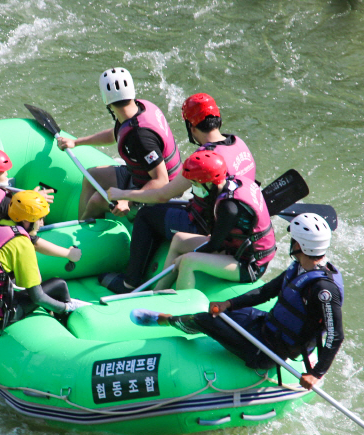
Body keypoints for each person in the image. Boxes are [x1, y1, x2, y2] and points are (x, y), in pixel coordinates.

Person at [131, 213, 343, 390]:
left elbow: (336, 334)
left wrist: (317, 373)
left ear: (299, 244)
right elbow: (265, 292)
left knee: (206, 320)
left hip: (269, 351)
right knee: (218, 313)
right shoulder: (300, 267)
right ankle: (192, 320)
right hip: (265, 327)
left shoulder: (323, 290)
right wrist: (229, 304)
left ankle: (167, 320)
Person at [97, 92, 258, 293]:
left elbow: (162, 194)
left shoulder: (205, 161)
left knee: (147, 215)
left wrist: (125, 195)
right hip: (237, 225)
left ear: (191, 127)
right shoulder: (238, 144)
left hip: (206, 225)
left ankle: (129, 282)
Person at [55, 68, 182, 220]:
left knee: (96, 200)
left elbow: (161, 181)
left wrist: (127, 199)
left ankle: (82, 236)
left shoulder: (140, 137)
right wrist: (76, 142)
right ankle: (83, 222)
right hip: (142, 178)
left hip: (161, 193)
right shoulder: (139, 107)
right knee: (91, 176)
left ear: (105, 100)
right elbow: (116, 133)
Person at [0, 190, 89, 329]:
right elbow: (38, 297)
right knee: (58, 285)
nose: (41, 224)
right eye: (39, 219)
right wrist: (66, 307)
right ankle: (66, 321)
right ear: (26, 221)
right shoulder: (19, 241)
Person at [153, 149, 275, 290]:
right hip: (233, 249)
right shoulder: (232, 182)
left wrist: (185, 257)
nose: (193, 188)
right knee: (179, 239)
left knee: (188, 261)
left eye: (195, 183)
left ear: (209, 182)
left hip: (248, 264)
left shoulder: (229, 208)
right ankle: (159, 290)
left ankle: (185, 309)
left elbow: (214, 245)